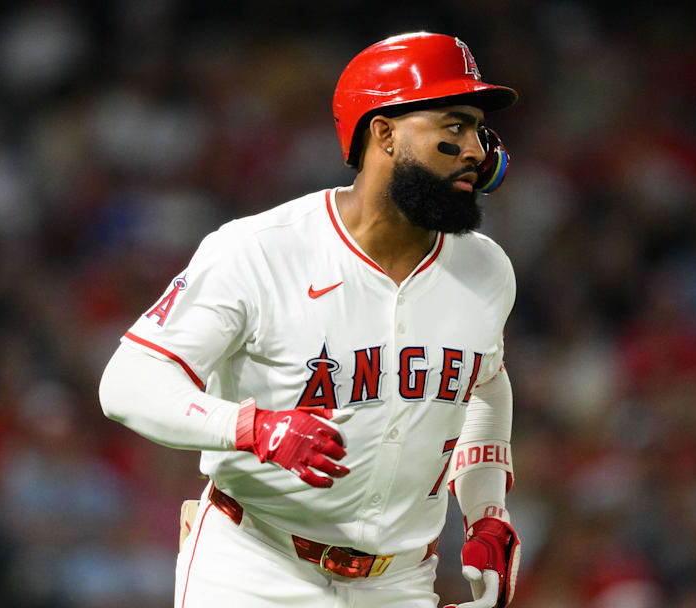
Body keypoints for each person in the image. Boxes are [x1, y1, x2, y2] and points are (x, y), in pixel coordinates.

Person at [99, 32, 521, 608]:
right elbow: (128, 383)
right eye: (454, 126)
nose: (476, 149)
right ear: (385, 132)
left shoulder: (486, 269)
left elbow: (486, 388)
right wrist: (250, 427)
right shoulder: (260, 250)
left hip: (399, 582)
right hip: (255, 565)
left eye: (479, 129)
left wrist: (486, 512)